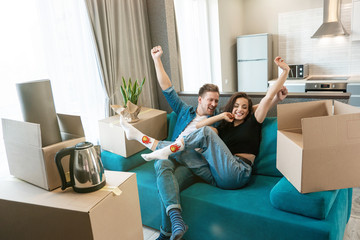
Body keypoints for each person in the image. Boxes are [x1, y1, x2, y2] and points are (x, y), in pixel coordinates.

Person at [121, 45, 289, 239]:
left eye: (217, 101)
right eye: (210, 100)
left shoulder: (240, 120)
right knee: (164, 174)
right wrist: (157, 59)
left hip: (225, 167)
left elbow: (261, 103)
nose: (214, 105)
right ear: (199, 99)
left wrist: (282, 80)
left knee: (193, 141)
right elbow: (170, 92)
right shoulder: (190, 112)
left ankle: (149, 142)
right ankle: (170, 229)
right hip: (195, 162)